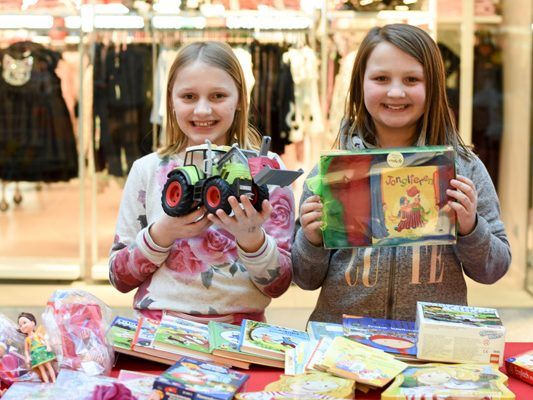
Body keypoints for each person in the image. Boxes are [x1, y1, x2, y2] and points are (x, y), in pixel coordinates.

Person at [292, 24, 511, 323]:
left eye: (412, 79)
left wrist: (471, 228)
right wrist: (311, 239)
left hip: (431, 347)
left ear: (432, 85)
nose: (396, 92)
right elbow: (305, 278)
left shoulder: (464, 168)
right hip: (343, 349)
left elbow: (494, 270)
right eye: (381, 78)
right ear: (360, 84)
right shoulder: (332, 174)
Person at [109, 41, 295, 325]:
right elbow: (119, 278)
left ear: (240, 99)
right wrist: (162, 233)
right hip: (157, 332)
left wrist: (251, 239)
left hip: (239, 334)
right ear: (170, 100)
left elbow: (279, 285)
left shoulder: (267, 169)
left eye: (218, 96)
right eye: (189, 97)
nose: (203, 110)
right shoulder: (147, 170)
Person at [17, 312, 56, 383]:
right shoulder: (27, 339)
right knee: (42, 369)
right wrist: (27, 357)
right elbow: (26, 350)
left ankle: (54, 381)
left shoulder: (38, 334)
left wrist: (48, 346)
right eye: (20, 325)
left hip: (43, 352)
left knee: (49, 366)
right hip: (35, 355)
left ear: (32, 323)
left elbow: (45, 340)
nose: (22, 326)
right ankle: (46, 382)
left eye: (24, 323)